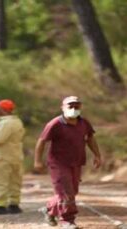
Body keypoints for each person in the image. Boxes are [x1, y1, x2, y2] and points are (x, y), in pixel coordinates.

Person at [34, 96, 102, 229]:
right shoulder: (55, 124)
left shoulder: (84, 123)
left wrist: (97, 155)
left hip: (76, 162)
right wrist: (37, 161)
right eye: (70, 106)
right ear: (63, 108)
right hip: (58, 164)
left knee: (71, 192)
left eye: (76, 106)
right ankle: (67, 220)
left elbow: (90, 138)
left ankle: (49, 209)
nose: (73, 109)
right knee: (66, 193)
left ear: (80, 107)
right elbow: (41, 141)